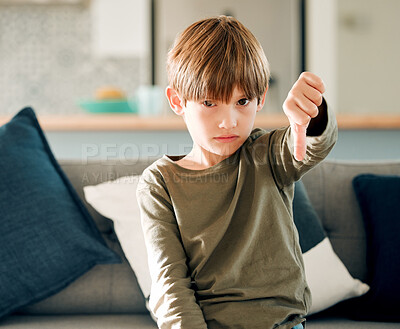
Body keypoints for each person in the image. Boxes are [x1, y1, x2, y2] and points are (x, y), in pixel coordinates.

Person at [136, 15, 337, 329]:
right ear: (178, 101)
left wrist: (313, 114)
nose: (229, 121)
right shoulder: (159, 183)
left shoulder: (268, 154)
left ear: (260, 99)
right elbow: (171, 284)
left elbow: (311, 147)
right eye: (209, 102)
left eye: (242, 101)